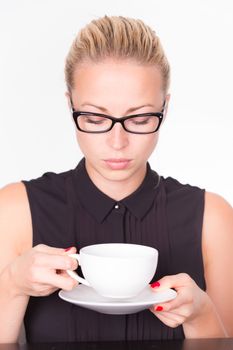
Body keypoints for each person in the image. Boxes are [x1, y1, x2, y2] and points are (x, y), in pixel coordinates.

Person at [0, 15, 232, 343]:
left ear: (164, 108)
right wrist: (11, 284)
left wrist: (201, 313)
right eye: (95, 118)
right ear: (71, 106)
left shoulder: (214, 217)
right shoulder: (14, 209)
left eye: (139, 118)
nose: (117, 142)